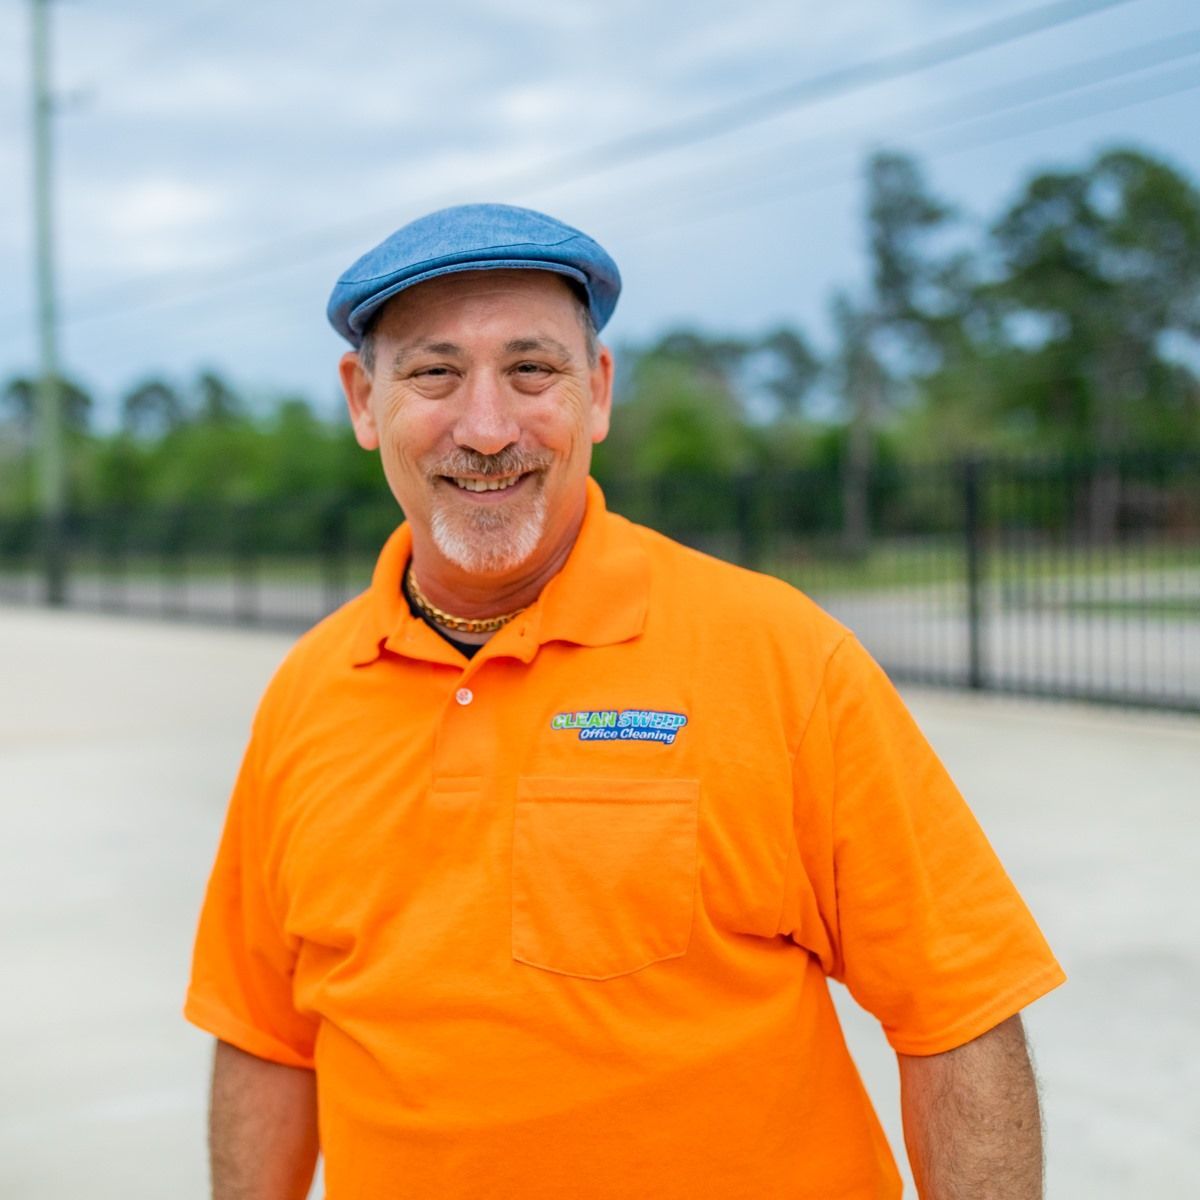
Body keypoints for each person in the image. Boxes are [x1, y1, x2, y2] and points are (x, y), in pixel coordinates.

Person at [186, 203, 1065, 1200]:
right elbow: (262, 1036)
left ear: (597, 391)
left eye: (532, 370)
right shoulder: (306, 693)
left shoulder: (780, 655)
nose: (487, 428)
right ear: (362, 400)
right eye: (435, 373)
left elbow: (959, 1011)